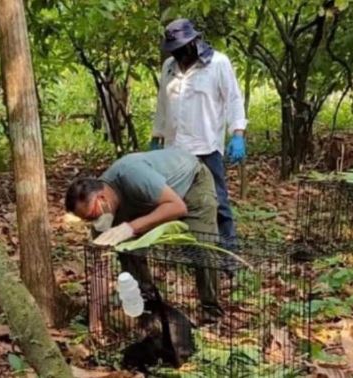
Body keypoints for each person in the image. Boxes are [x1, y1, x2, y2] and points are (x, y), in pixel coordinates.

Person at [64, 147, 223, 367]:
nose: (94, 222)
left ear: (102, 198)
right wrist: (94, 320)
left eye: (92, 215)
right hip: (148, 204)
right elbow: (98, 268)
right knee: (127, 251)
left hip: (190, 185)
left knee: (201, 249)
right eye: (87, 220)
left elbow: (177, 206)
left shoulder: (131, 174)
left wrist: (131, 227)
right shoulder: (102, 216)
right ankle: (151, 312)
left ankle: (212, 313)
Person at [151, 18, 247, 247]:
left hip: (206, 146)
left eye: (181, 49)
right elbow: (163, 104)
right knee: (177, 199)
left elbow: (233, 99)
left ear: (194, 42)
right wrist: (157, 136)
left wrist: (238, 134)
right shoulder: (169, 67)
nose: (178, 54)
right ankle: (189, 248)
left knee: (218, 202)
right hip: (174, 149)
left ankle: (227, 251)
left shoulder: (218, 63)